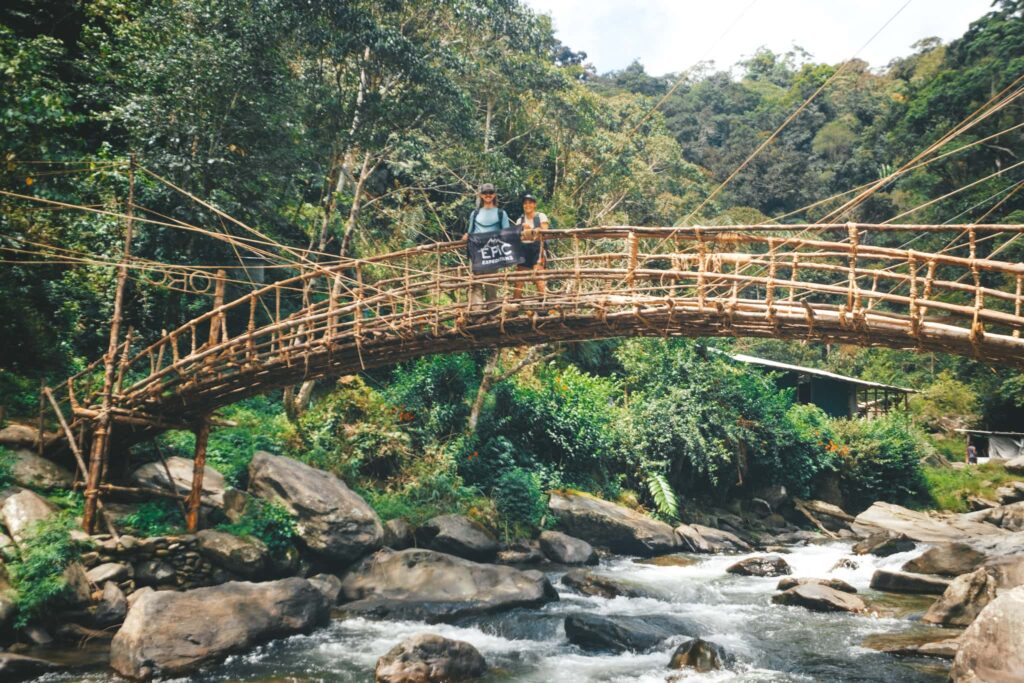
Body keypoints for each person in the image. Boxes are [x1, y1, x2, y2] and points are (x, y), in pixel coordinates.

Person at [464, 183, 510, 307]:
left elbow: (506, 233)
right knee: (476, 282)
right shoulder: (475, 213)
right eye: (485, 193)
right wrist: (466, 236)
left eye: (490, 193)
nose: (488, 195)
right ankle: (477, 311)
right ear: (481, 195)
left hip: (492, 252)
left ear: (494, 195)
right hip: (476, 251)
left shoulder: (501, 213)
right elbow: (470, 232)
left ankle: (492, 310)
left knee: (491, 283)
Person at [514, 193, 550, 298]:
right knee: (519, 281)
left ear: (534, 205)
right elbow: (518, 238)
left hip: (537, 250)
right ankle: (515, 307)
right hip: (524, 250)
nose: (527, 205)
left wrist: (533, 230)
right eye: (525, 203)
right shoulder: (519, 220)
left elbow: (545, 232)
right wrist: (523, 231)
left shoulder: (541, 216)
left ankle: (543, 308)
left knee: (539, 278)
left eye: (530, 203)